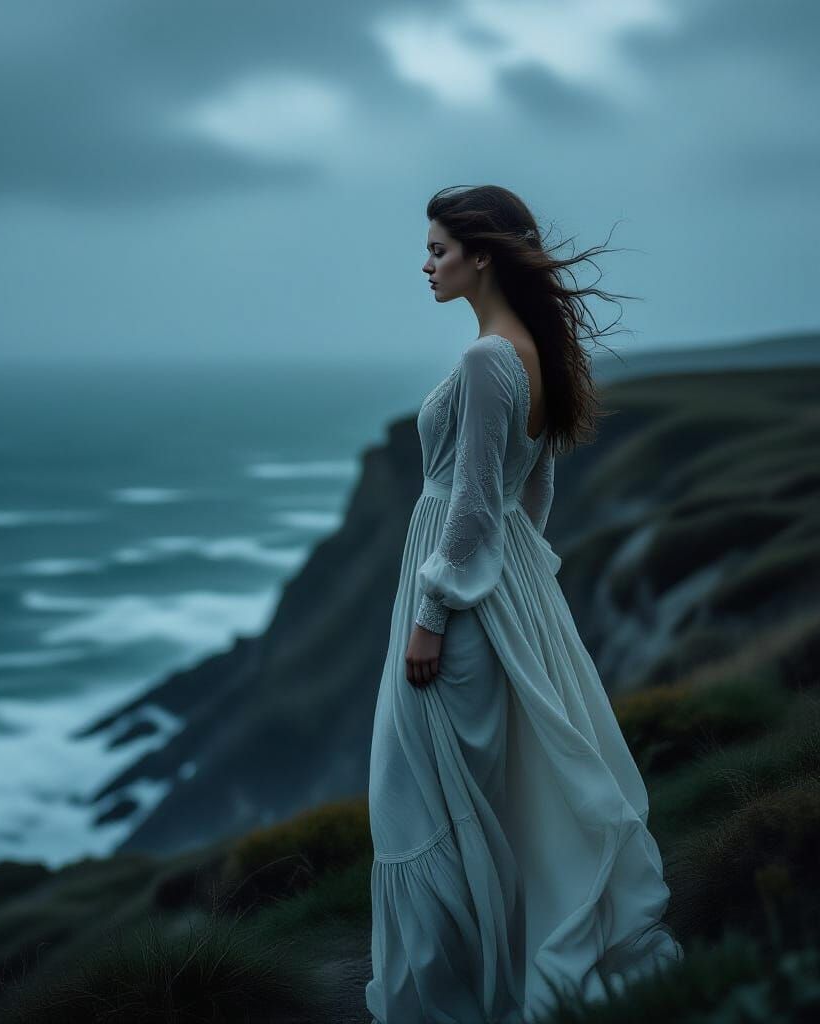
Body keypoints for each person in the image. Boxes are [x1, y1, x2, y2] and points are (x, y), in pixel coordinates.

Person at [365, 185, 683, 1024]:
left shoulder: (484, 361)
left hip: (458, 606)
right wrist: (516, 587)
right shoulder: (533, 351)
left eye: (438, 249)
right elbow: (530, 493)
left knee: (423, 795)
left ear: (483, 255)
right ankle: (491, 982)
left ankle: (459, 998)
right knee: (484, 800)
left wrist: (434, 615)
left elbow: (473, 503)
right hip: (499, 594)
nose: (426, 263)